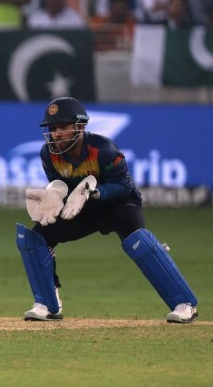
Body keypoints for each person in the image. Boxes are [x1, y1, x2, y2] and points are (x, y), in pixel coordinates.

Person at [17, 97, 198, 324]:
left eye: (62, 127)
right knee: (36, 238)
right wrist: (54, 191)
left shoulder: (103, 149)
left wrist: (95, 192)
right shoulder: (48, 154)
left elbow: (124, 187)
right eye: (52, 128)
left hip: (119, 206)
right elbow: (60, 183)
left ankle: (184, 304)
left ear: (80, 127)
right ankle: (47, 304)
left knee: (140, 243)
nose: (56, 134)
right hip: (82, 210)